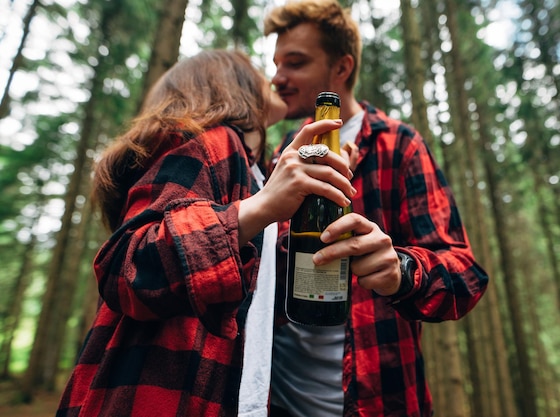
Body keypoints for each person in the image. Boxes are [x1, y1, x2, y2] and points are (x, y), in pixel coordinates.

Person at [55, 49, 357, 417]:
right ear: (232, 85)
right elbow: (127, 266)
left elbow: (251, 301)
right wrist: (261, 208)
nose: (275, 79)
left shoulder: (252, 173)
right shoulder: (211, 141)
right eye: (261, 72)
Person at [263, 1, 489, 416]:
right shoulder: (279, 159)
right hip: (275, 402)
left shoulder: (398, 146)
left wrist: (401, 271)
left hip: (379, 401)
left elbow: (466, 276)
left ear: (341, 68)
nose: (278, 78)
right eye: (276, 64)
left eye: (295, 63)